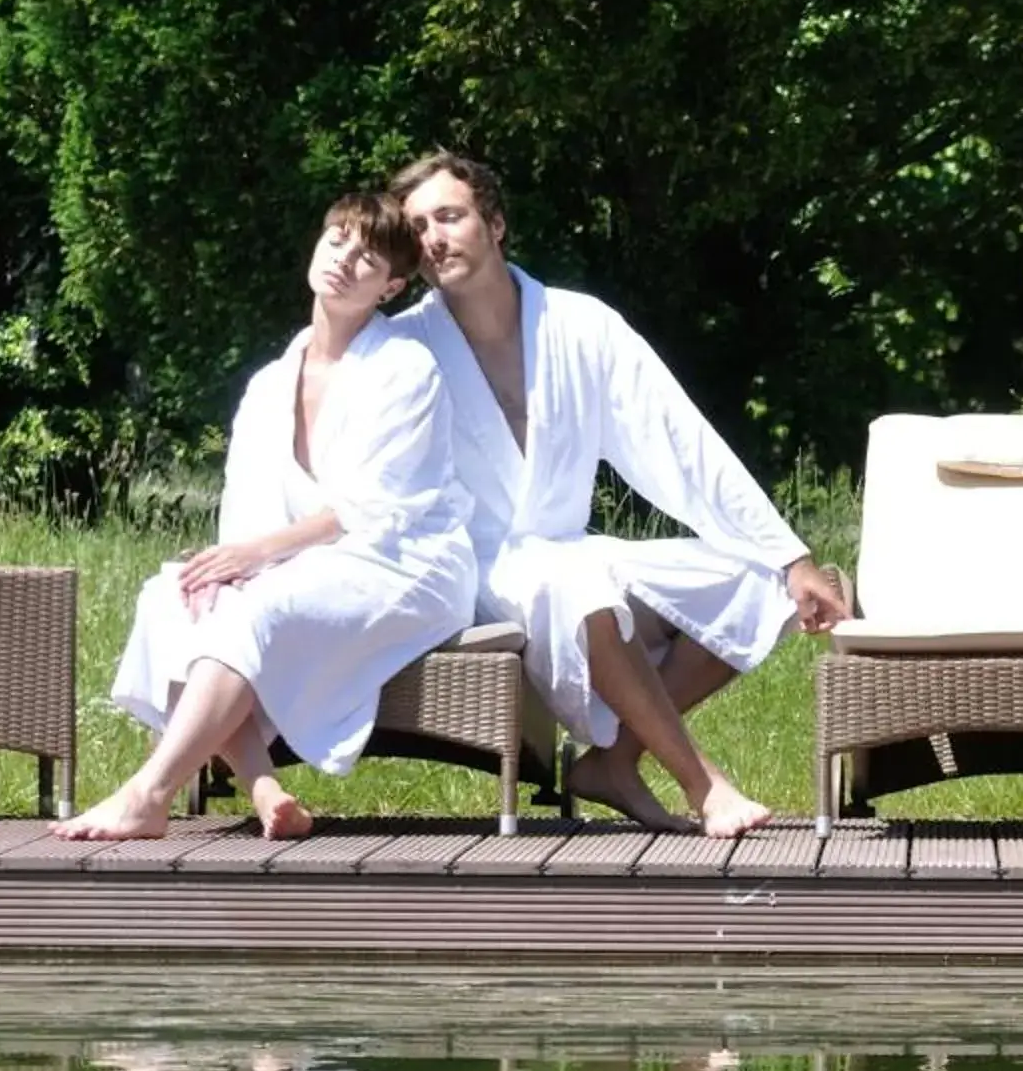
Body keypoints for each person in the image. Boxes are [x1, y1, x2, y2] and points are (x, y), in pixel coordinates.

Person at [389, 151, 852, 839]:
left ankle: (615, 761)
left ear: (495, 223)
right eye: (418, 226)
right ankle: (705, 783)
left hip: (567, 550)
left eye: (449, 216)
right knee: (580, 588)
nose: (433, 237)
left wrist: (790, 556)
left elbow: (680, 443)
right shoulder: (403, 349)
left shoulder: (582, 327)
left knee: (756, 583)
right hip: (477, 566)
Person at [57, 192, 478, 842]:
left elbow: (378, 505)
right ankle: (263, 787)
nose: (345, 259)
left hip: (408, 563)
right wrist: (230, 567)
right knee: (175, 597)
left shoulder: (406, 368)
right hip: (306, 561)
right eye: (338, 239)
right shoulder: (267, 385)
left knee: (254, 609)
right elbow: (249, 508)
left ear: (392, 285)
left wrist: (257, 559)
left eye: (368, 257)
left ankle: (150, 792)